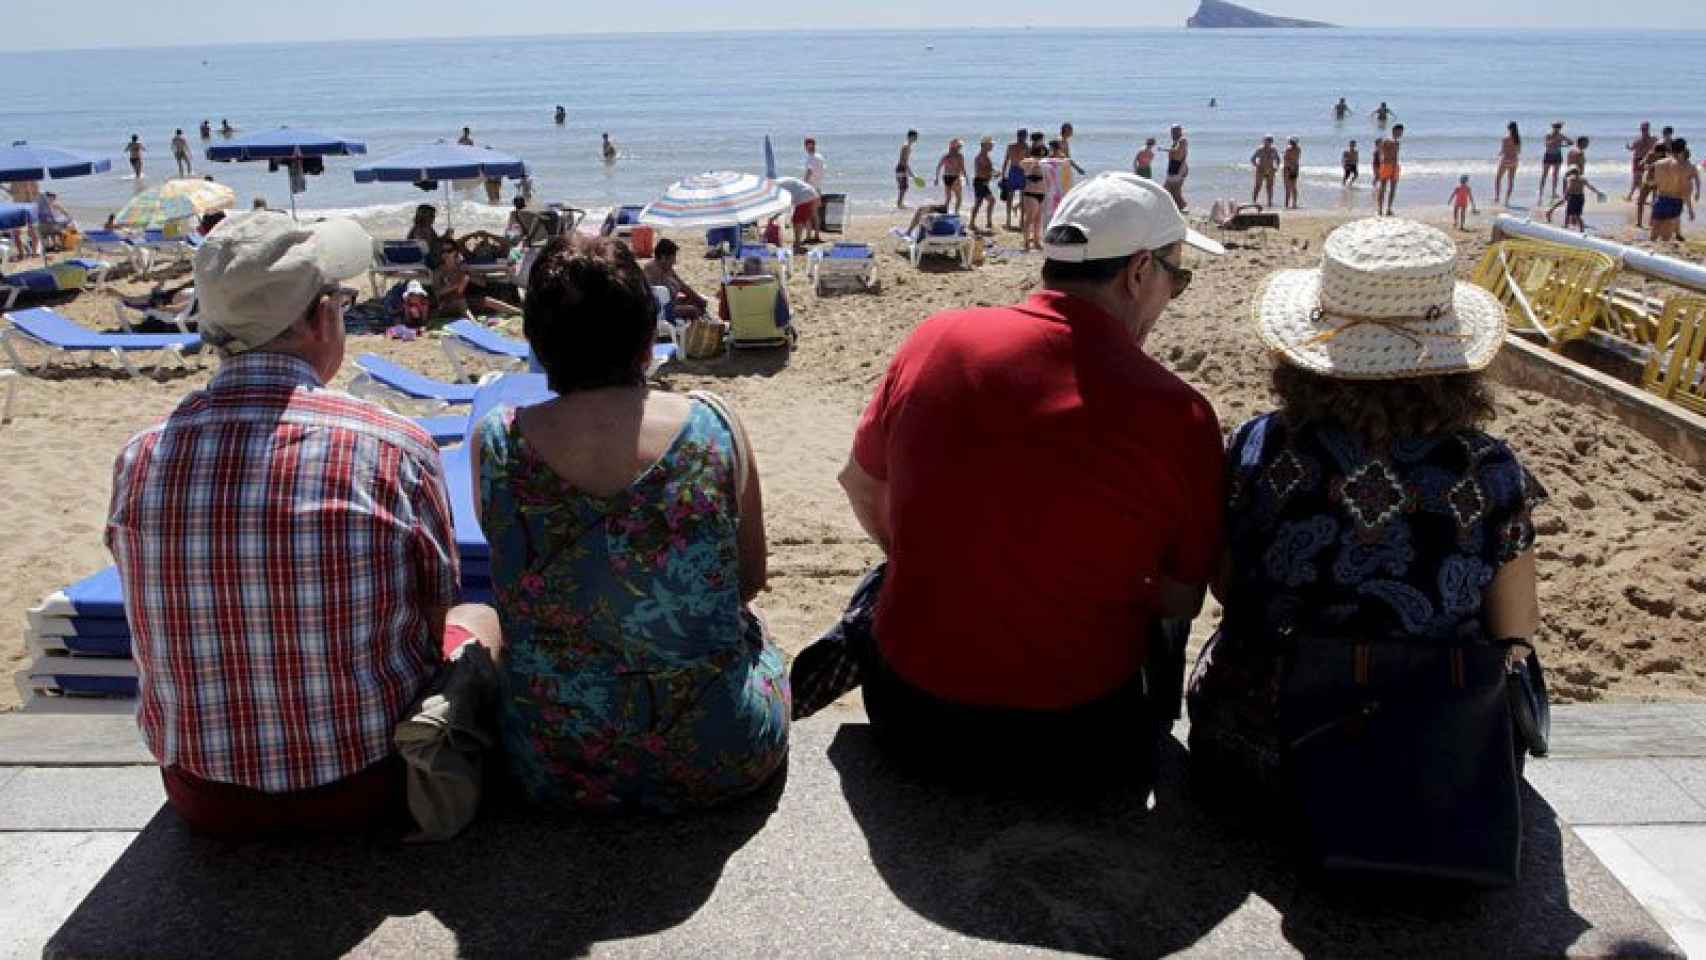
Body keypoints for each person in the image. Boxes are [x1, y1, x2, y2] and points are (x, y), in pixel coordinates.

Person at [105, 211, 498, 836]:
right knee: (478, 618)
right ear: (320, 317)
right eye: (339, 300)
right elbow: (433, 616)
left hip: (202, 797)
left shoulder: (141, 456)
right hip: (367, 786)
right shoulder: (391, 445)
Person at [836, 173, 1226, 786]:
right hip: (1080, 740)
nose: (1172, 297)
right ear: (1138, 272)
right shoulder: (1180, 414)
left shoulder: (936, 341)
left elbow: (861, 486)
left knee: (887, 579)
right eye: (1177, 279)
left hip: (911, 717)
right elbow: (1179, 599)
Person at [1188, 216, 1544, 830]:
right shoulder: (1488, 468)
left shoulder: (1262, 445)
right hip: (1432, 758)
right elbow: (1516, 626)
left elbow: (1228, 587)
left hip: (1261, 747)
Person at [473, 235, 789, 811]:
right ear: (648, 342)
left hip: (552, 762)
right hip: (718, 756)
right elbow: (747, 579)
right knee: (759, 629)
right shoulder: (713, 425)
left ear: (538, 345)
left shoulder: (498, 439)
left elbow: (511, 570)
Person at [434, 244, 521, 317]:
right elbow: (438, 293)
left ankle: (520, 312)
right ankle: (475, 325)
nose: (454, 253)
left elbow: (482, 283)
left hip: (463, 300)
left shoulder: (461, 268)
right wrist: (455, 285)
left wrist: (470, 274)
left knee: (488, 300)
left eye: (453, 250)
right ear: (443, 255)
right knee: (461, 302)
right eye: (449, 251)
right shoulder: (438, 272)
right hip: (446, 304)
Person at [643, 237, 708, 321]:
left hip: (671, 304)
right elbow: (657, 297)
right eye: (672, 258)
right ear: (663, 257)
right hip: (660, 309)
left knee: (696, 302)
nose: (674, 261)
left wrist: (698, 299)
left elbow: (682, 286)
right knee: (693, 310)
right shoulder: (652, 269)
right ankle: (695, 332)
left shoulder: (667, 268)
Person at [1651, 140, 1691, 242]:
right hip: (1675, 201)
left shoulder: (1658, 163)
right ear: (1683, 150)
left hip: (1660, 199)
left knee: (1654, 234)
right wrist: (1690, 209)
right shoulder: (1684, 167)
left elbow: (1652, 182)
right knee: (1666, 237)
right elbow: (1685, 190)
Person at [1545, 167, 1605, 232]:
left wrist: (1597, 192)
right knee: (1570, 214)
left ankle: (1579, 229)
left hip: (1577, 197)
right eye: (1574, 174)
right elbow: (1570, 188)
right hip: (1574, 197)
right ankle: (1567, 226)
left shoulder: (1579, 180)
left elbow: (1590, 186)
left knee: (1575, 215)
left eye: (1576, 174)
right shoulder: (1573, 179)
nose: (1575, 176)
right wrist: (1566, 194)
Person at [1019, 145, 1047, 252]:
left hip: (1042, 193)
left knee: (1038, 219)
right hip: (1031, 193)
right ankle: (1026, 242)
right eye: (1040, 152)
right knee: (1030, 218)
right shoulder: (1029, 161)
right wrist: (1035, 162)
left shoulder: (1045, 162)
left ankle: (1036, 241)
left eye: (1044, 152)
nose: (1042, 154)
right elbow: (1021, 164)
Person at [1001, 128, 1029, 229]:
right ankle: (1015, 222)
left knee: (1014, 197)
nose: (1025, 138)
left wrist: (1003, 173)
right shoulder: (1025, 147)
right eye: (1025, 136)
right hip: (1018, 172)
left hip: (1015, 171)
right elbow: (1006, 160)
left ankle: (1013, 221)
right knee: (1014, 197)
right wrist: (1003, 174)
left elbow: (1006, 161)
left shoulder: (1011, 146)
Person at [1376, 125, 1405, 216]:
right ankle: (1380, 209)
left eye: (1401, 132)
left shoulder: (1397, 142)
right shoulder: (1387, 140)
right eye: (1398, 132)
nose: (1400, 134)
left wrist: (1396, 166)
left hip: (1394, 166)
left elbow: (1395, 156)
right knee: (1383, 188)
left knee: (1393, 189)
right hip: (1386, 165)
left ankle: (1389, 208)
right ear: (1393, 131)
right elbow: (1380, 153)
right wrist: (1380, 166)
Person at [802, 137, 826, 244]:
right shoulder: (820, 157)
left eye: (806, 145)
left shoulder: (810, 158)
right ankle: (816, 235)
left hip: (810, 188)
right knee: (815, 214)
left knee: (807, 213)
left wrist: (803, 184)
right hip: (818, 188)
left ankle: (808, 236)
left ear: (807, 146)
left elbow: (809, 172)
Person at [970, 136, 996, 233]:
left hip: (983, 182)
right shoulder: (980, 157)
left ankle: (988, 222)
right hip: (980, 182)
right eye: (990, 145)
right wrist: (992, 174)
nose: (992, 146)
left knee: (991, 201)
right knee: (979, 203)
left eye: (991, 145)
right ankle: (972, 223)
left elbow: (987, 169)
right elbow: (979, 172)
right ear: (984, 145)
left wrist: (994, 172)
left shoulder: (985, 156)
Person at [934, 138, 966, 215]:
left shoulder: (946, 156)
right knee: (959, 197)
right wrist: (966, 177)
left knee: (948, 197)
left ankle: (945, 211)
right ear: (956, 147)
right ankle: (956, 212)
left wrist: (936, 178)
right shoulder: (959, 156)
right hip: (955, 177)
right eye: (959, 146)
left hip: (946, 177)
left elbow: (938, 167)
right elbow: (962, 167)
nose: (960, 148)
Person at [1627, 122, 1658, 201]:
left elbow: (1658, 148)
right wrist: (1628, 147)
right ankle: (1631, 196)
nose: (1643, 131)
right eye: (1643, 129)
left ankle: (1652, 198)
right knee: (1636, 180)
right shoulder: (1639, 140)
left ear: (1648, 129)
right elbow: (1631, 148)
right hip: (1638, 161)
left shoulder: (1653, 139)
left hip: (1648, 160)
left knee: (1651, 180)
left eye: (1645, 129)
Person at [1539, 122, 1568, 203]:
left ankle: (1553, 192)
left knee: (1555, 175)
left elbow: (1571, 142)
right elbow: (1545, 144)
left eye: (1559, 127)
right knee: (1544, 174)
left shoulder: (1561, 136)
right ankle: (1541, 193)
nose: (1558, 128)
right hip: (1549, 155)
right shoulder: (1548, 135)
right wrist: (1554, 142)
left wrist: (1563, 145)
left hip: (1557, 156)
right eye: (1556, 127)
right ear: (1553, 127)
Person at [1165, 125, 1191, 211]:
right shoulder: (1177, 141)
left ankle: (1183, 207)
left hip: (1179, 167)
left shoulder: (1182, 140)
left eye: (1173, 131)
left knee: (1173, 190)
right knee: (1171, 190)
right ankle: (1178, 208)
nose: (1171, 134)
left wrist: (1165, 149)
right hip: (1173, 166)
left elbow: (1178, 152)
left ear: (1179, 131)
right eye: (1171, 132)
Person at [1495, 122, 1521, 206]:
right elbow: (1519, 151)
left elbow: (1503, 150)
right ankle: (1506, 200)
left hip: (1506, 160)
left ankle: (1497, 197)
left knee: (1498, 178)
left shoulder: (1505, 138)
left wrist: (1499, 153)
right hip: (1514, 160)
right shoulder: (1518, 139)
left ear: (1508, 129)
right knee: (1510, 181)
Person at [1251, 135, 1281, 208]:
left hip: (1270, 170)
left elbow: (1278, 159)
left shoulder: (1274, 149)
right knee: (1258, 186)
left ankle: (1270, 202)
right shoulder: (1260, 149)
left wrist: (1276, 168)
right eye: (1266, 141)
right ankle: (1254, 201)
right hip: (1261, 170)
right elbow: (1252, 159)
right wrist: (1257, 166)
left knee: (1270, 187)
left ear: (1271, 142)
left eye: (1269, 141)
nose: (1267, 143)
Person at [895, 129, 919, 209]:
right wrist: (911, 173)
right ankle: (899, 204)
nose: (917, 138)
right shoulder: (906, 146)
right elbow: (904, 161)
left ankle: (900, 203)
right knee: (903, 187)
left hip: (901, 168)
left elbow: (904, 160)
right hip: (901, 168)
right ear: (911, 136)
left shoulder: (907, 146)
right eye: (916, 136)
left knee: (904, 187)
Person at [1282, 137, 1302, 210]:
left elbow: (1286, 159)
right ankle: (1293, 203)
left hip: (1289, 168)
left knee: (1288, 187)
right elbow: (1295, 159)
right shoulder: (1298, 149)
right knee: (1293, 187)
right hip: (1294, 168)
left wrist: (1291, 167)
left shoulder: (1288, 149)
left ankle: (1288, 204)